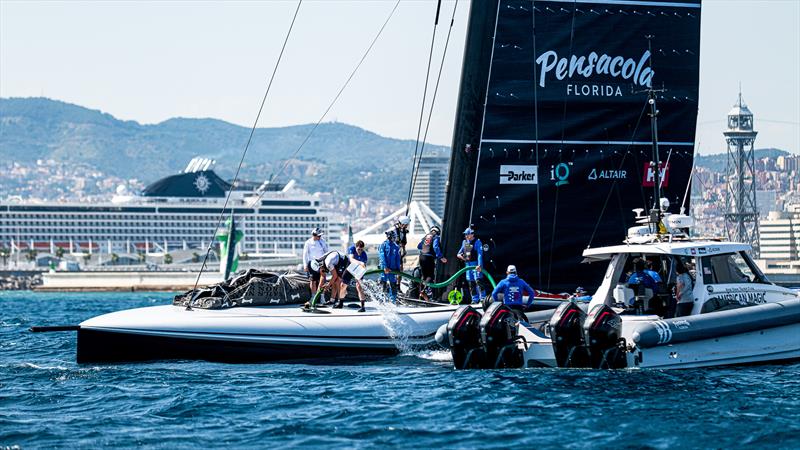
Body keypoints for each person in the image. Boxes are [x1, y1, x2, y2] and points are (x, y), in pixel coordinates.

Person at [417, 225, 447, 300]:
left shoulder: (425, 237)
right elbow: (435, 247)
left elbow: (419, 246)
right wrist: (441, 257)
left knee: (423, 276)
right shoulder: (436, 237)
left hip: (421, 257)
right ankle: (424, 291)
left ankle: (421, 293)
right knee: (430, 276)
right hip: (429, 258)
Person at [457, 227, 484, 304]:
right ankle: (474, 299)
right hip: (467, 265)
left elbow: (480, 254)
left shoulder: (477, 242)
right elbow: (458, 253)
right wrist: (462, 257)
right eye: (465, 234)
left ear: (472, 234)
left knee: (478, 281)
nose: (466, 236)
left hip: (475, 265)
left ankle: (482, 298)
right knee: (471, 283)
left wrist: (479, 265)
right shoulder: (464, 242)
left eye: (467, 234)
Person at [302, 228, 329, 298]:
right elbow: (305, 255)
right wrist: (305, 265)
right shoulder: (308, 242)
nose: (320, 237)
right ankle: (313, 297)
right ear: (314, 235)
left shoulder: (323, 242)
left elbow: (326, 252)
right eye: (318, 236)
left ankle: (322, 297)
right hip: (312, 263)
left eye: (320, 236)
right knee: (313, 281)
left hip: (321, 263)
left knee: (322, 279)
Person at [378, 229, 402, 303]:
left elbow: (398, 259)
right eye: (393, 237)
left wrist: (398, 269)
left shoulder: (396, 246)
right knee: (383, 284)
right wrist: (385, 267)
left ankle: (393, 301)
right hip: (384, 269)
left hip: (392, 269)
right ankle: (382, 301)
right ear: (389, 237)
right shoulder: (383, 245)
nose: (395, 239)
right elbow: (382, 256)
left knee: (393, 284)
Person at [347, 240, 368, 312]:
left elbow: (363, 268)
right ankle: (340, 302)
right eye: (358, 249)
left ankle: (363, 307)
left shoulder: (364, 255)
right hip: (350, 267)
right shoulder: (352, 249)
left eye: (361, 250)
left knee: (359, 286)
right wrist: (360, 262)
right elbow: (351, 259)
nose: (360, 251)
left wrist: (358, 278)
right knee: (342, 284)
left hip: (358, 268)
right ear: (356, 247)